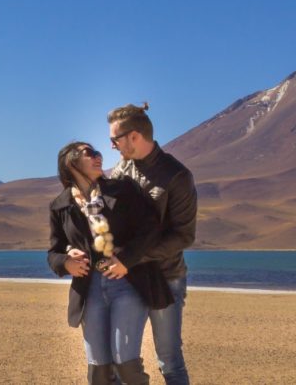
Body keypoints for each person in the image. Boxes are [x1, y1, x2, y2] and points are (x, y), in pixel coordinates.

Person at [47, 142, 173, 385]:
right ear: (70, 163)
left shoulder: (122, 190)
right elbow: (53, 252)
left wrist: (125, 259)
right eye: (89, 154)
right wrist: (66, 262)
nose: (98, 157)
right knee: (99, 371)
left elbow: (151, 229)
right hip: (89, 290)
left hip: (127, 284)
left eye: (98, 153)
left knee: (126, 364)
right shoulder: (60, 206)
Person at [102, 103, 197, 385]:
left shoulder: (177, 176)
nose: (112, 146)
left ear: (134, 136)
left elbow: (183, 236)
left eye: (115, 140)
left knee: (169, 361)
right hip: (127, 279)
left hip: (165, 277)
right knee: (121, 360)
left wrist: (131, 258)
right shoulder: (120, 171)